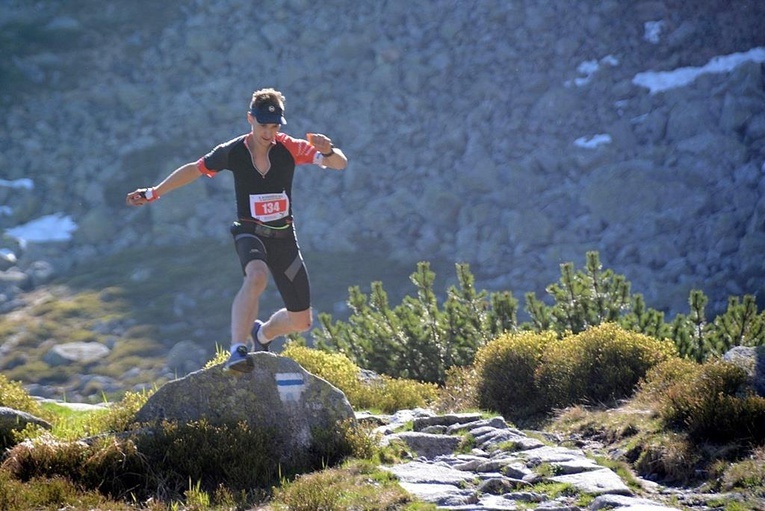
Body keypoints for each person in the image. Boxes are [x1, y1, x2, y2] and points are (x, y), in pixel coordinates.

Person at [126, 87, 347, 372]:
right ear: (249, 119)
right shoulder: (232, 152)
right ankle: (238, 350)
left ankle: (262, 333)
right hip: (249, 231)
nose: (269, 133)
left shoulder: (290, 147)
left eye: (274, 126)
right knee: (256, 277)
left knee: (301, 322)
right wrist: (153, 193)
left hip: (284, 237)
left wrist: (327, 149)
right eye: (263, 125)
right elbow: (194, 169)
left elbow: (339, 163)